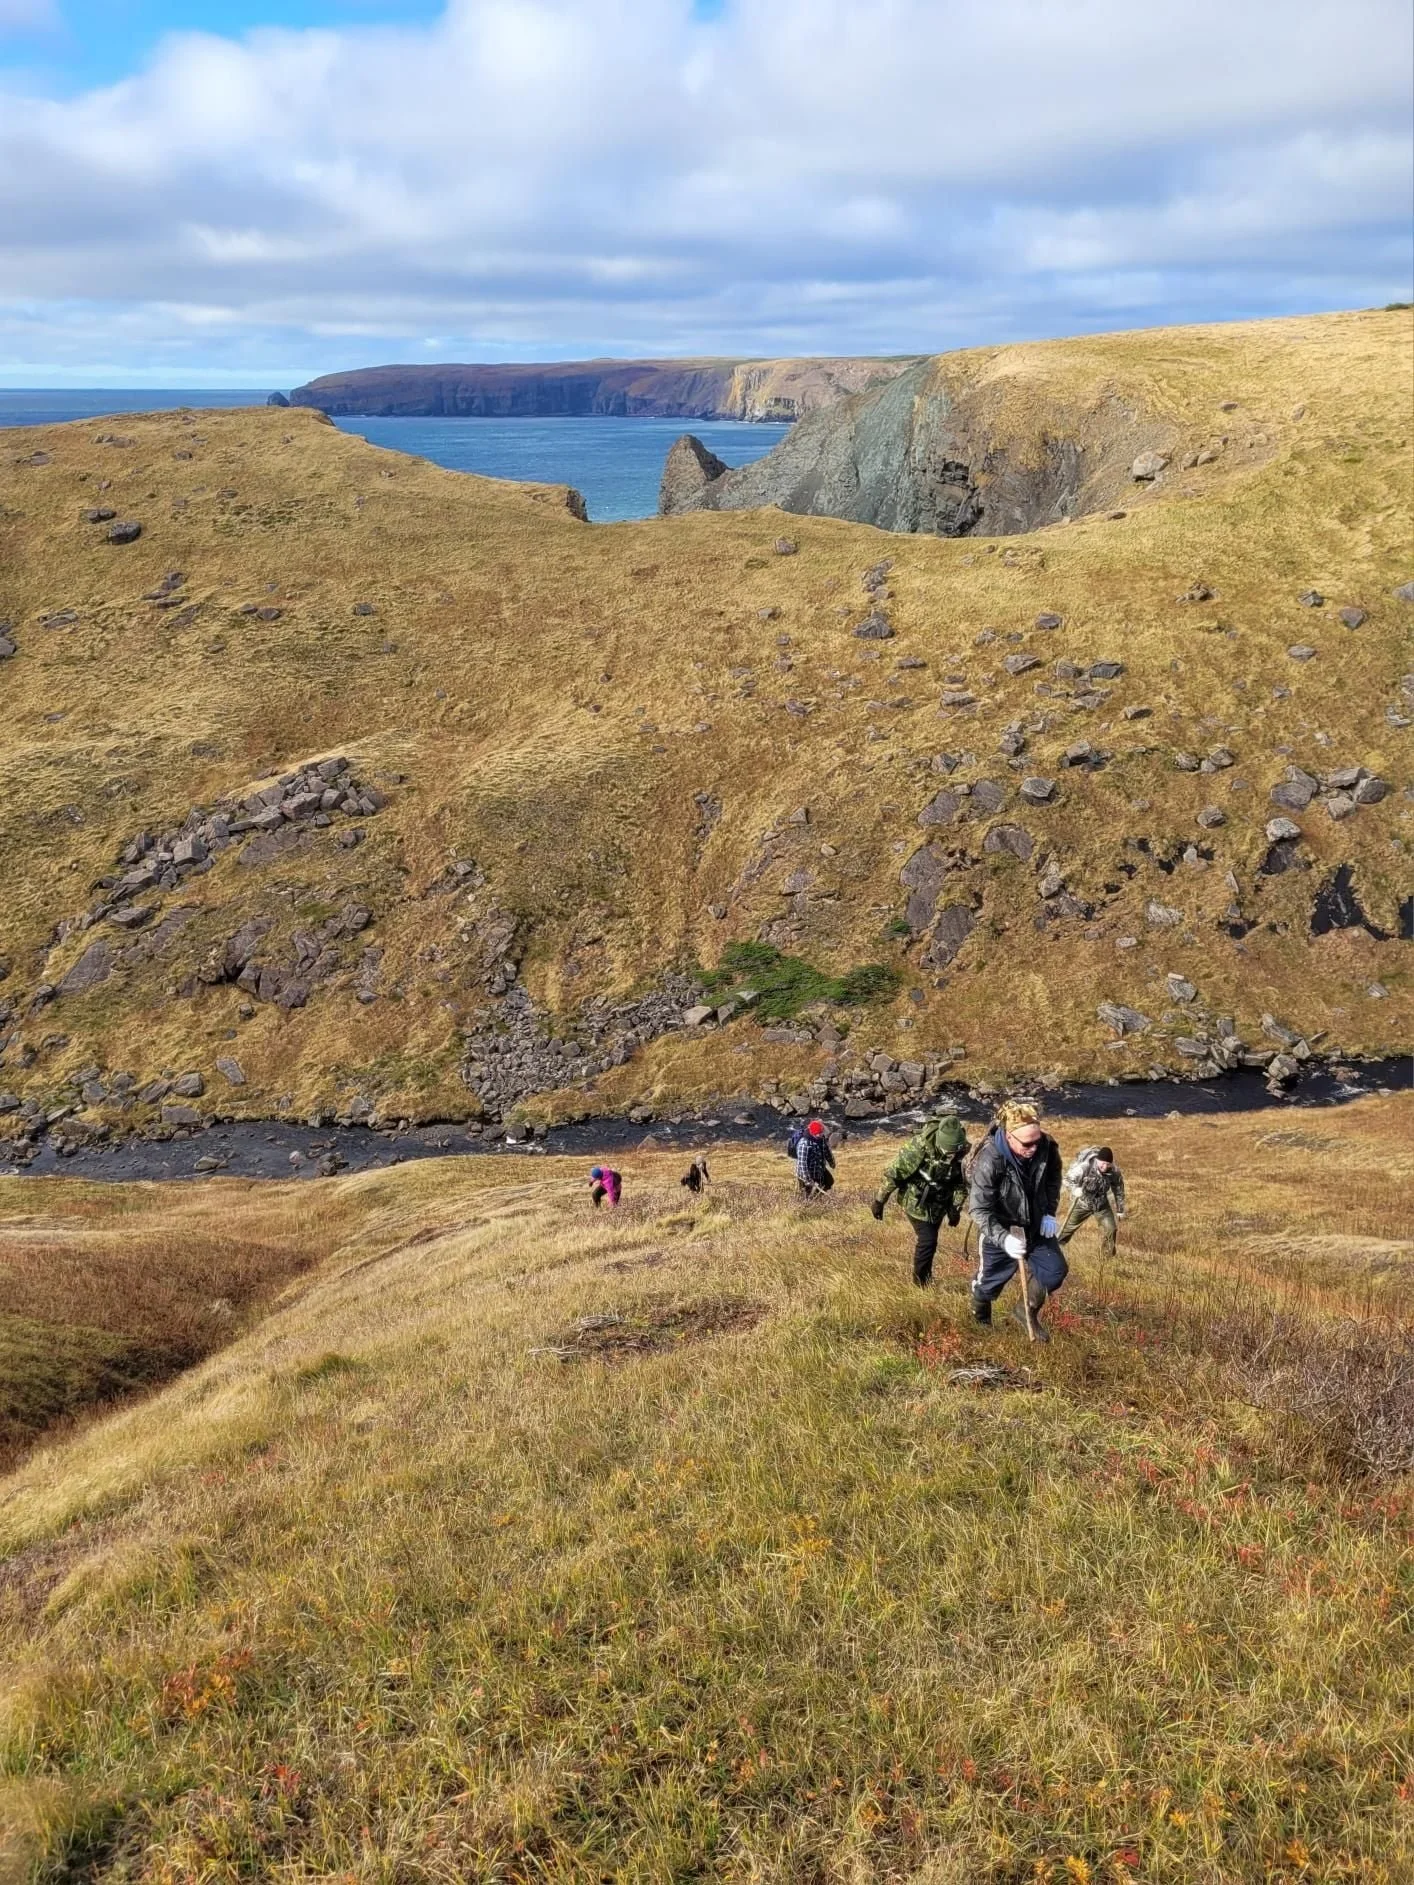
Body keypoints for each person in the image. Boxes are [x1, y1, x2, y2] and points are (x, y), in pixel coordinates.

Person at [966, 1099, 1067, 1340]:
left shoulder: (1047, 1146)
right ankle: (980, 1321)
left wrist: (1049, 1212)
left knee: (1054, 1271)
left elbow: (1053, 1179)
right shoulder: (990, 1159)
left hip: (1034, 1224)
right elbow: (979, 1209)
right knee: (989, 1283)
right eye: (1027, 1143)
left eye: (1037, 1140)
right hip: (999, 1228)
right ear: (1009, 1136)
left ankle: (1025, 1310)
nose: (1033, 1147)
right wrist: (1003, 1239)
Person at [870, 1113, 969, 1287]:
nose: (952, 1156)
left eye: (955, 1152)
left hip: (940, 1204)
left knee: (932, 1239)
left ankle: (926, 1275)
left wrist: (955, 1208)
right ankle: (920, 1284)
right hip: (916, 1202)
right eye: (948, 1152)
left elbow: (961, 1183)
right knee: (928, 1240)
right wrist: (880, 1201)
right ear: (939, 1143)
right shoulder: (919, 1147)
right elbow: (895, 1173)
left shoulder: (964, 1152)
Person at [1059, 1144, 1126, 1258]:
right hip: (1082, 1204)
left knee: (1111, 1229)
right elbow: (1067, 1179)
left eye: (1107, 1164)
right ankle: (1053, 1251)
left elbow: (1119, 1190)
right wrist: (1075, 1189)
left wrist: (1120, 1209)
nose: (1104, 1166)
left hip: (1101, 1205)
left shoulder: (1114, 1171)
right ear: (1097, 1160)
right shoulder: (1085, 1167)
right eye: (1102, 1163)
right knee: (1066, 1230)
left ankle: (1106, 1258)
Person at [793, 1119, 835, 1200]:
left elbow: (826, 1151)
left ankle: (816, 1199)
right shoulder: (804, 1144)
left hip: (819, 1169)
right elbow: (802, 1164)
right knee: (806, 1193)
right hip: (806, 1174)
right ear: (812, 1133)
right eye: (819, 1134)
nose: (821, 1135)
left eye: (821, 1133)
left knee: (829, 1181)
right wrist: (808, 1180)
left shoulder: (821, 1138)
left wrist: (831, 1162)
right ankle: (807, 1204)